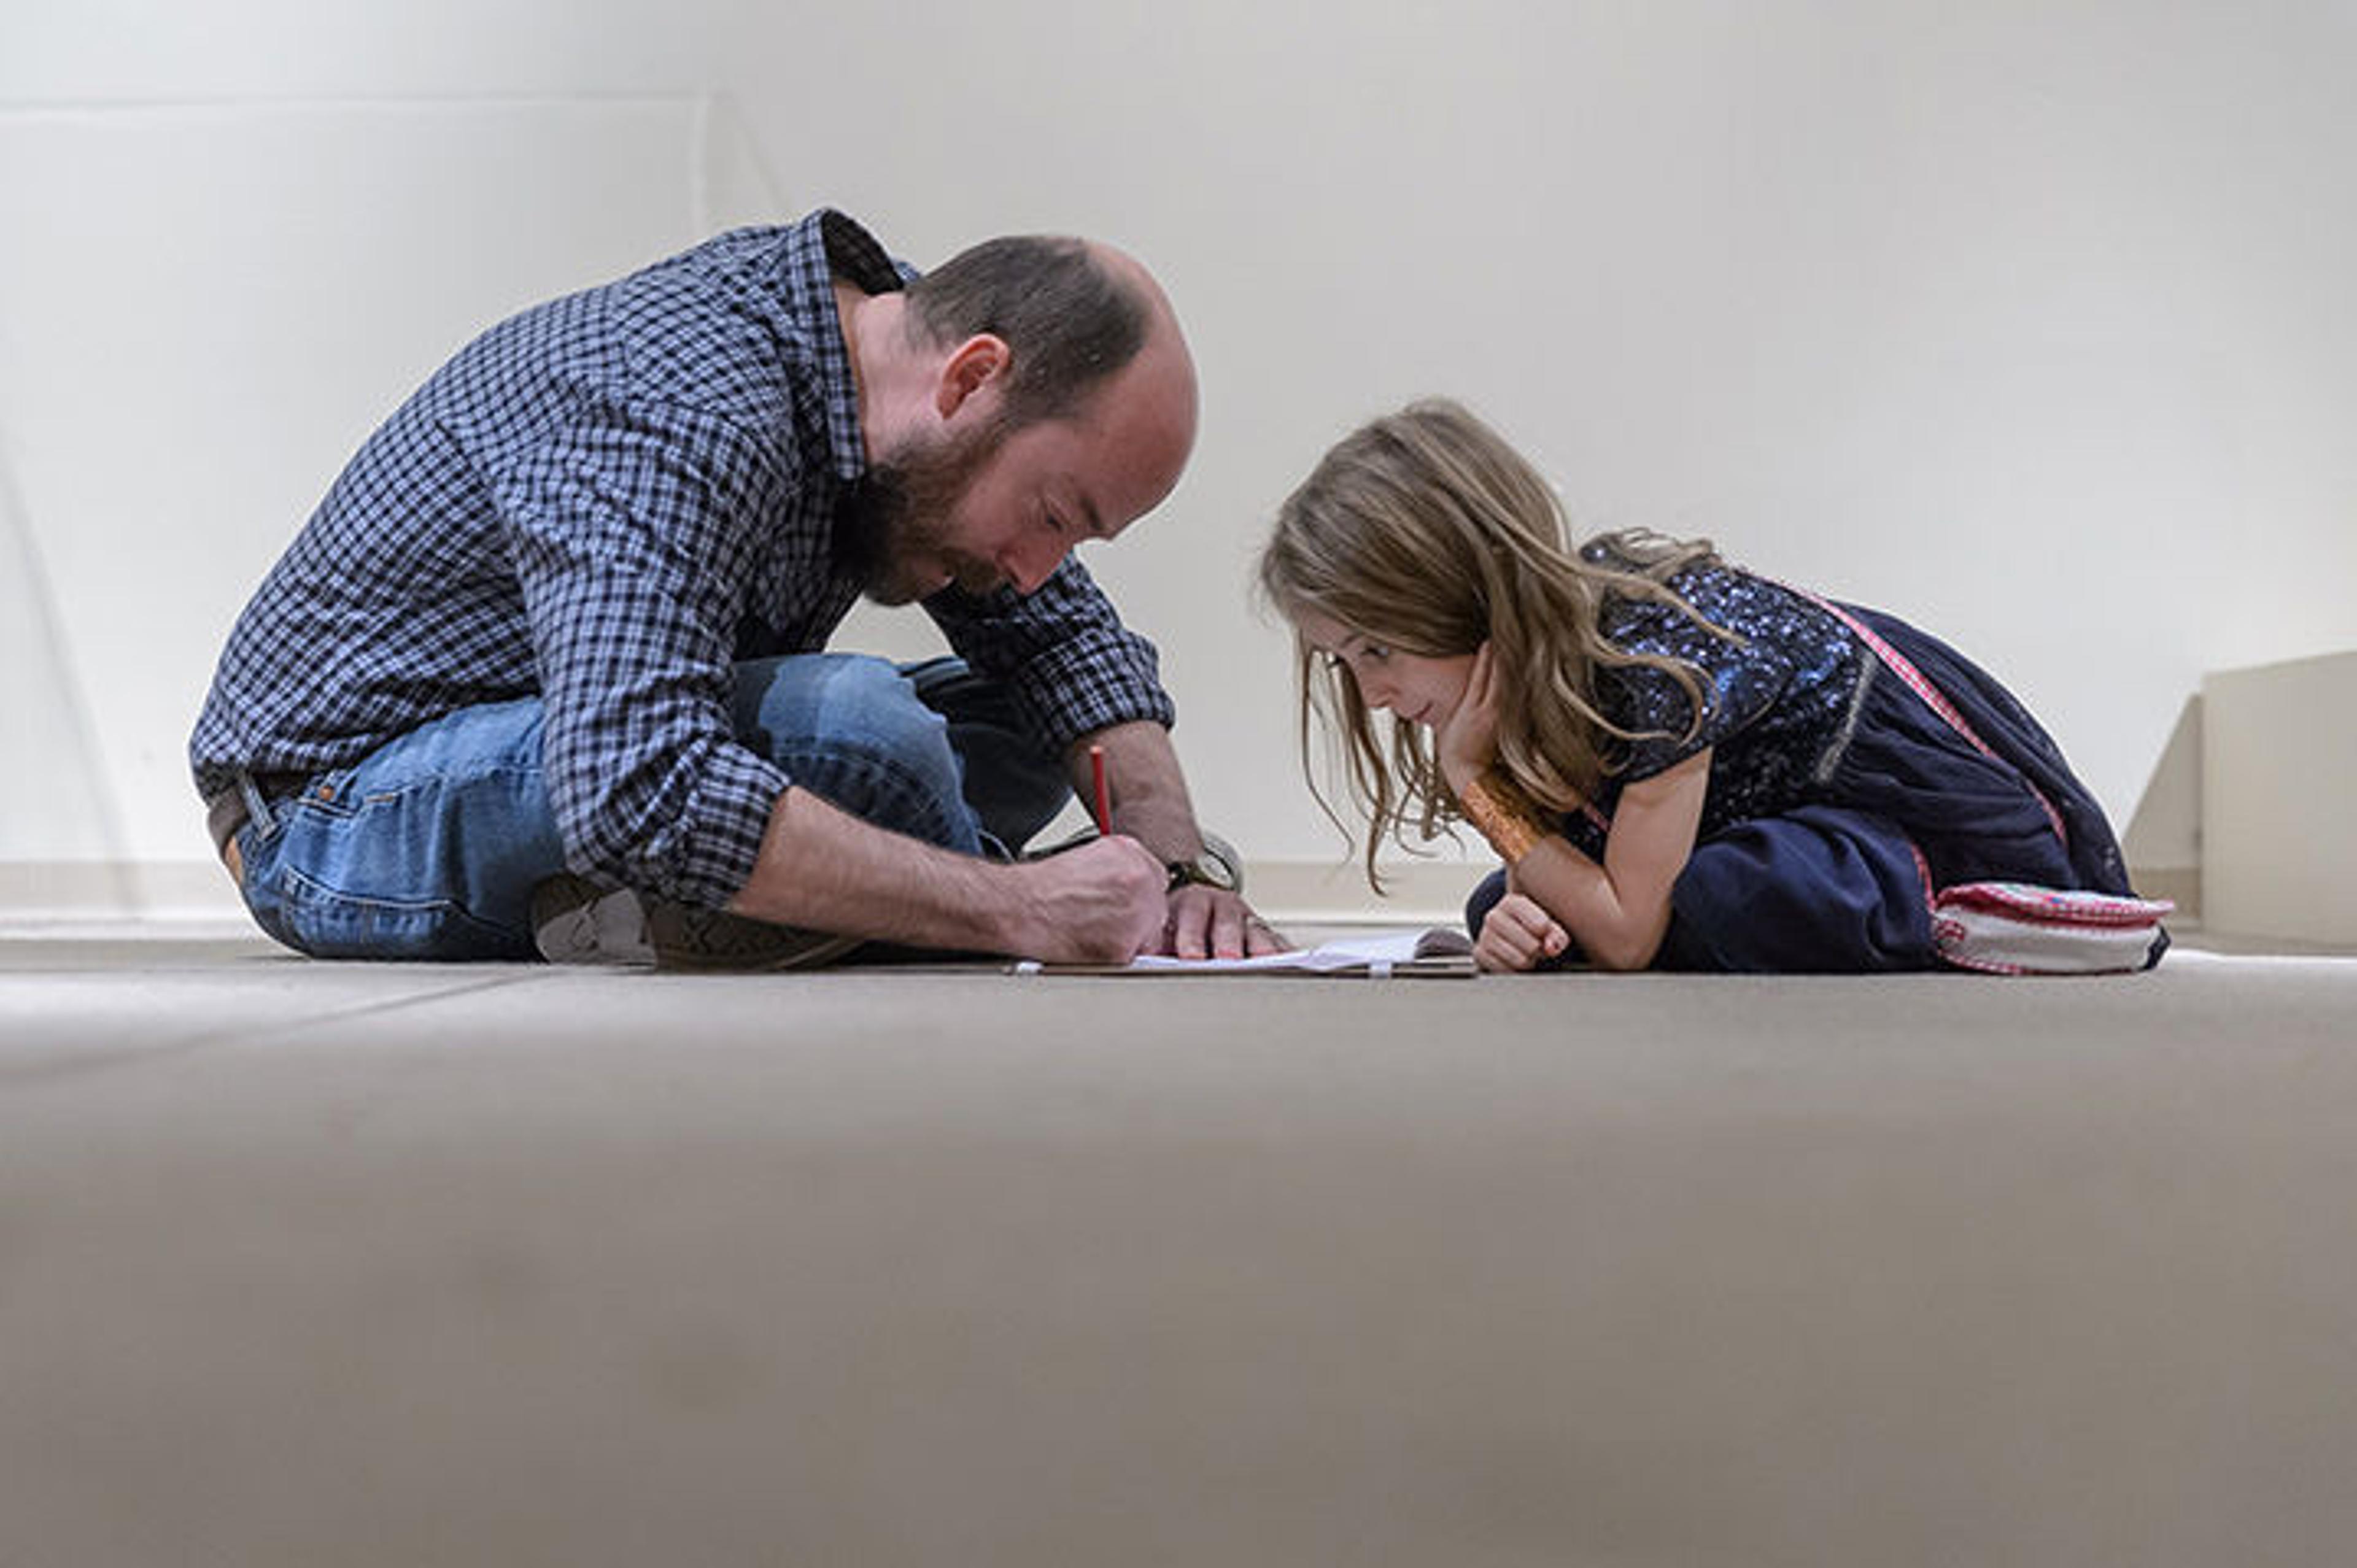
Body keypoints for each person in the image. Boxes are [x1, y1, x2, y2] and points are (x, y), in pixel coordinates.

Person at [190, 208, 1284, 968]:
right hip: (332, 814)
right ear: (971, 380)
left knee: (1012, 722)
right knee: (869, 734)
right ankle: (823, 893)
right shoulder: (680, 399)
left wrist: (1176, 862)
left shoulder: (889, 359)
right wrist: (1019, 909)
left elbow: (1061, 646)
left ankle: (740, 902)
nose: (1044, 566)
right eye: (1055, 515)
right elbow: (634, 779)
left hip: (569, 754)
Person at [1256, 398, 2162, 974]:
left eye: (1377, 650)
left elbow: (1622, 930)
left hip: (1927, 825)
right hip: (1761, 826)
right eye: (1346, 662)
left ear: (1462, 592)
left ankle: (1952, 911)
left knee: (1727, 898)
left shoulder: (1656, 657)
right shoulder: (1540, 679)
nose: (1371, 695)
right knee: (1507, 906)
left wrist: (1477, 791)